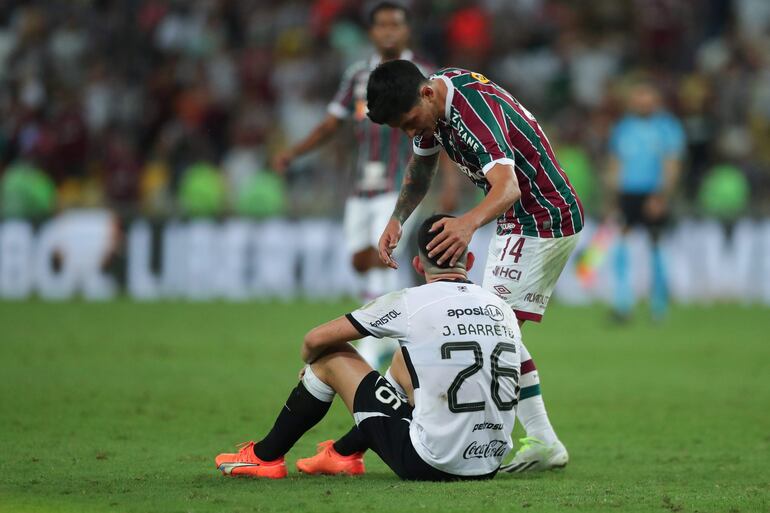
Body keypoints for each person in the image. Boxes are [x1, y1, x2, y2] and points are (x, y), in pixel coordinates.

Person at [341, 60, 583, 473]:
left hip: (541, 219)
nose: (411, 132)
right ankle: (543, 440)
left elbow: (508, 188)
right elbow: (421, 169)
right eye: (401, 129)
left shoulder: (472, 112)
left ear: (426, 94)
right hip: (519, 220)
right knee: (496, 330)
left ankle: (369, 437)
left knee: (485, 327)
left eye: (410, 122)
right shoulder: (436, 104)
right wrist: (398, 218)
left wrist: (468, 224)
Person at [214, 214, 522, 481]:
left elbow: (314, 339)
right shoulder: (501, 307)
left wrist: (312, 365)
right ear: (469, 261)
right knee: (406, 361)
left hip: (432, 462)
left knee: (331, 357)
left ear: (417, 265)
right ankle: (343, 454)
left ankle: (265, 457)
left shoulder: (409, 302)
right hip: (488, 462)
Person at [272, 2, 452, 367]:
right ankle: (397, 325)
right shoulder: (357, 75)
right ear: (371, 32)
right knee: (361, 260)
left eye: (395, 26)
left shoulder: (426, 74)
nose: (388, 32)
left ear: (407, 31)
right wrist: (295, 152)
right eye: (381, 26)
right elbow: (331, 124)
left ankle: (376, 340)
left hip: (399, 183)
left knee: (381, 257)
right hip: (360, 186)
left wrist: (448, 182)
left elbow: (441, 131)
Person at [606, 82, 685, 322]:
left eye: (646, 98)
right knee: (620, 247)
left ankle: (659, 307)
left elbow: (672, 164)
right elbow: (615, 163)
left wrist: (661, 195)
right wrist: (613, 197)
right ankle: (622, 304)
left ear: (655, 101)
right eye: (639, 98)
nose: (642, 103)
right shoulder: (624, 127)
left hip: (652, 193)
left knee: (656, 247)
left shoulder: (667, 126)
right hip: (628, 194)